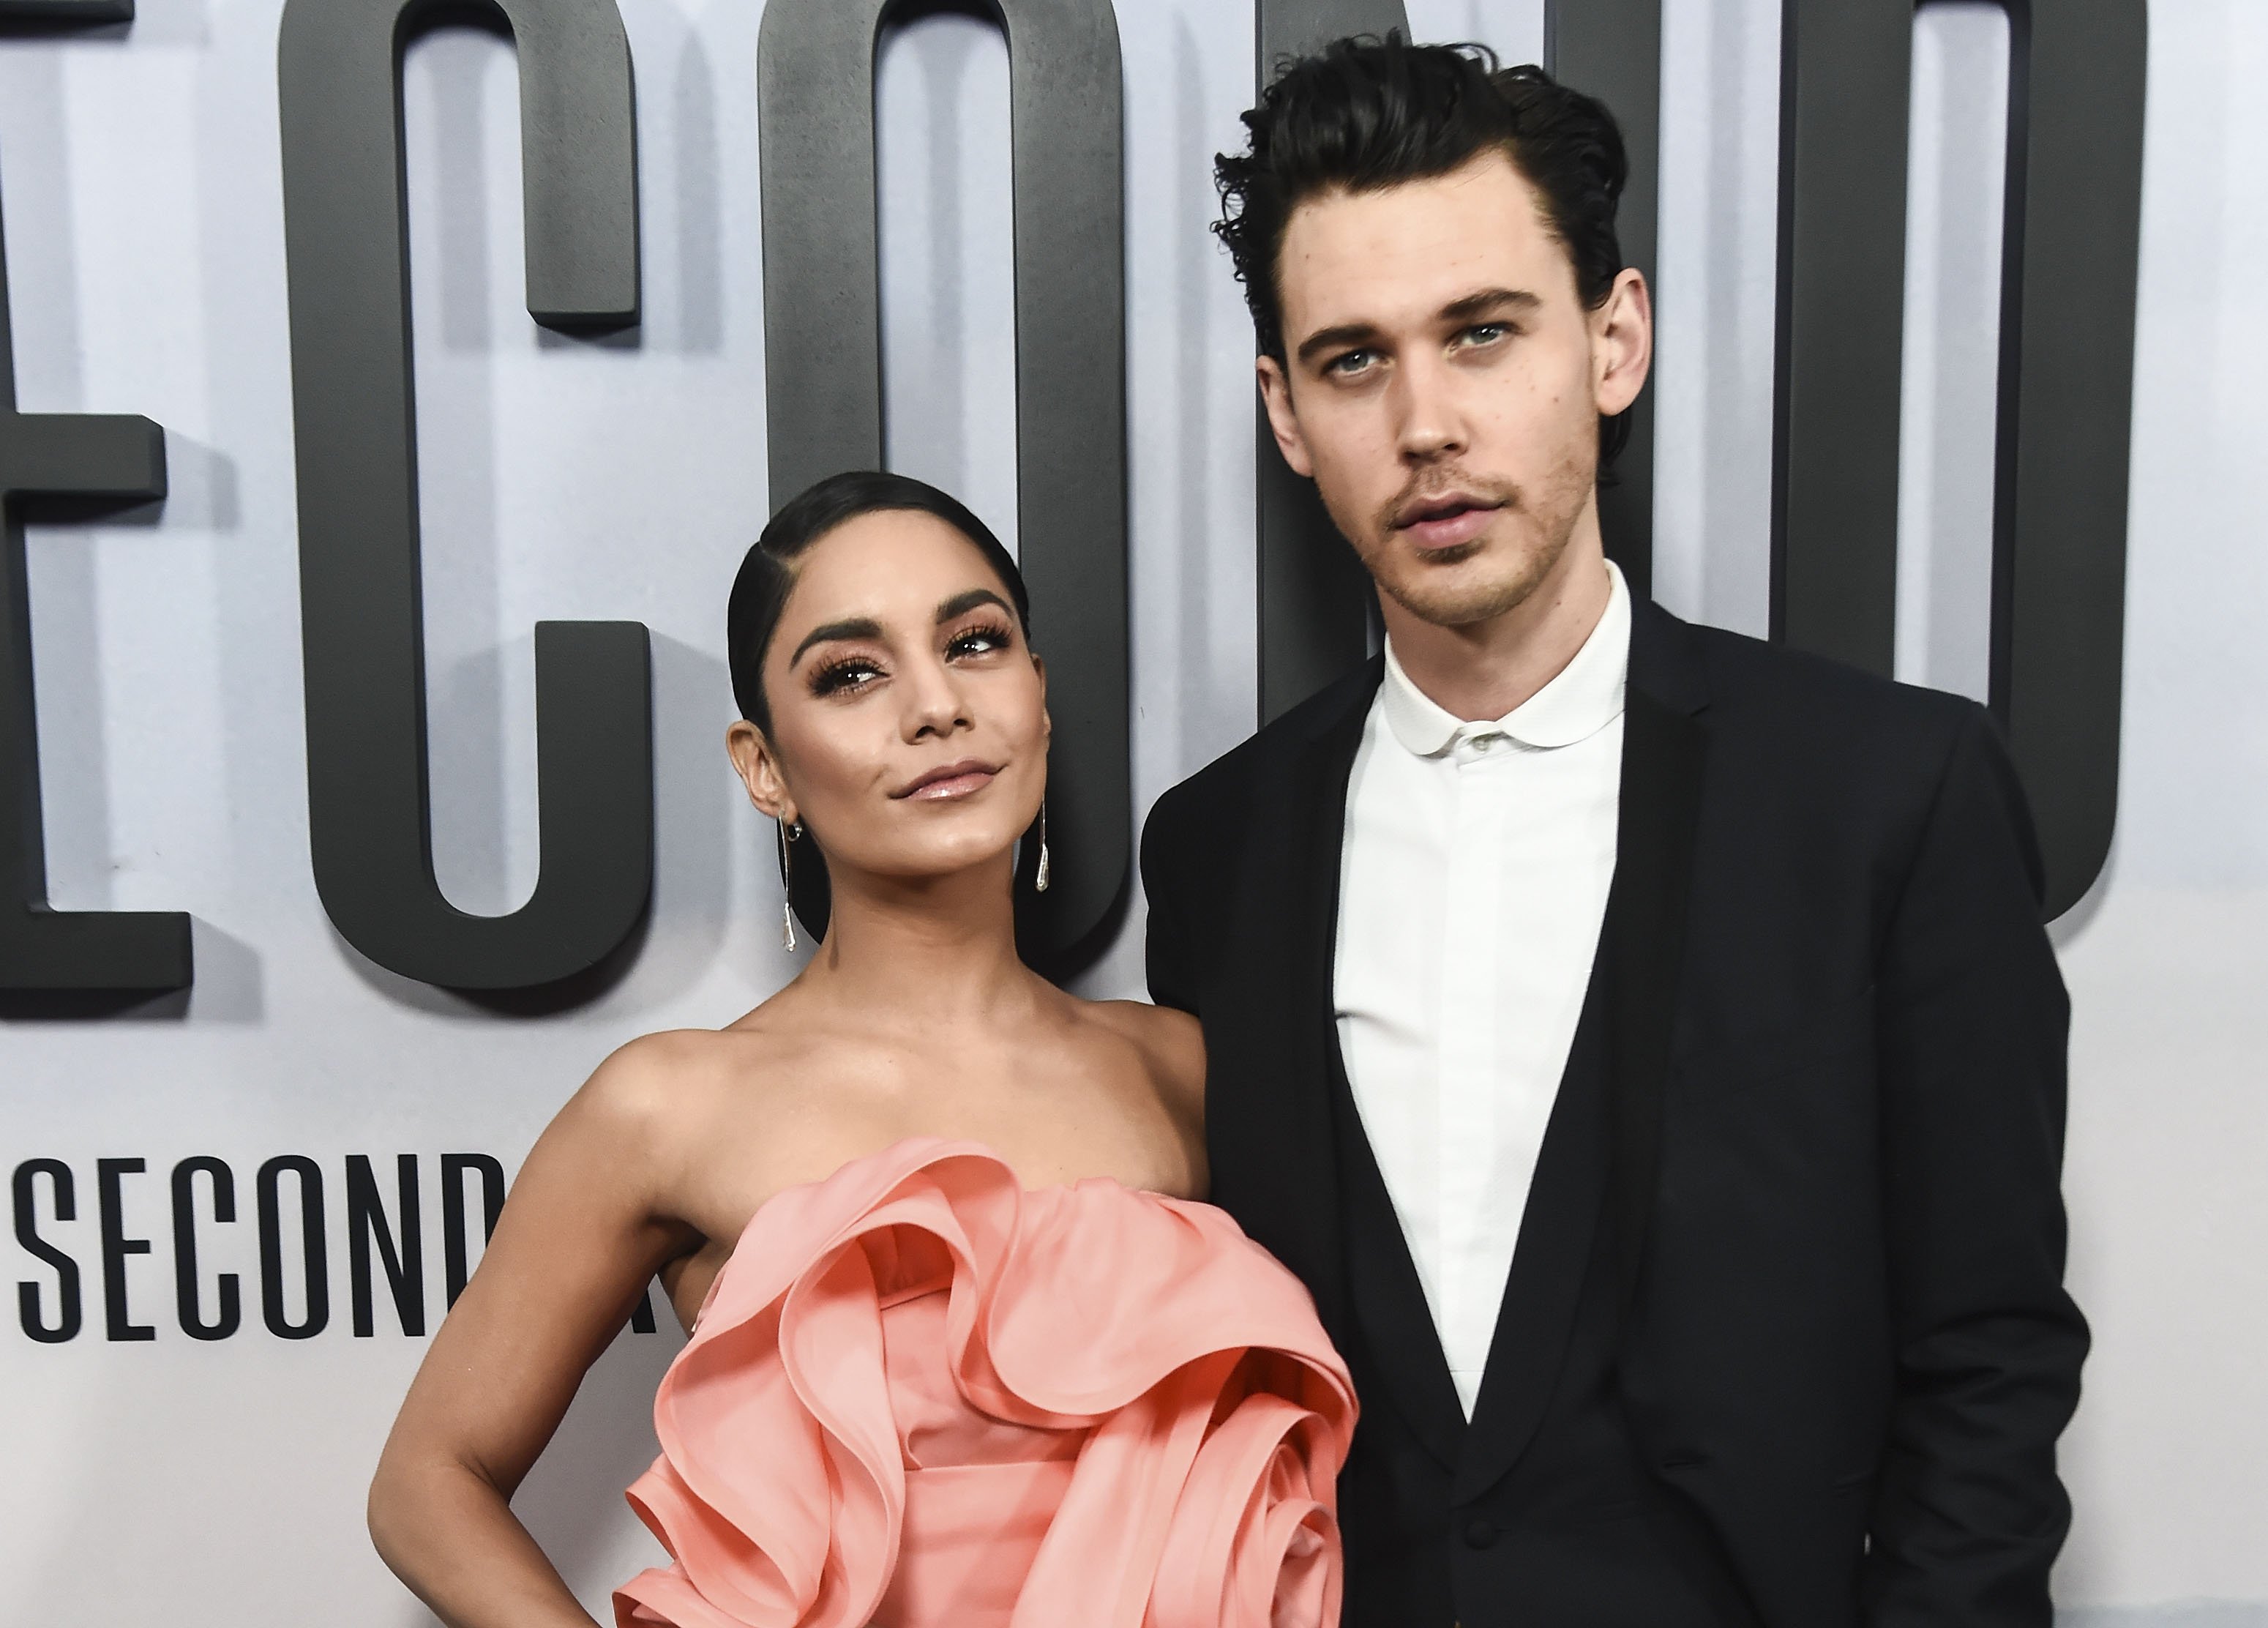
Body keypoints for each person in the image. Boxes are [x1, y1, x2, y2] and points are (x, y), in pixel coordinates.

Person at [1140, 37, 2085, 1628]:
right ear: (1286, 413)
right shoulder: (1218, 846)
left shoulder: (1887, 792)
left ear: (1611, 338)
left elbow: (1985, 1361)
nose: (1424, 420)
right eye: (1354, 359)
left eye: (1482, 332)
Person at [367, 471, 1356, 1628]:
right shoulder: (669, 1106)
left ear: (1039, 697)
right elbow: (425, 1485)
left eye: (975, 643)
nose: (934, 705)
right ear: (765, 766)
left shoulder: (1179, 1065)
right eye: (852, 673)